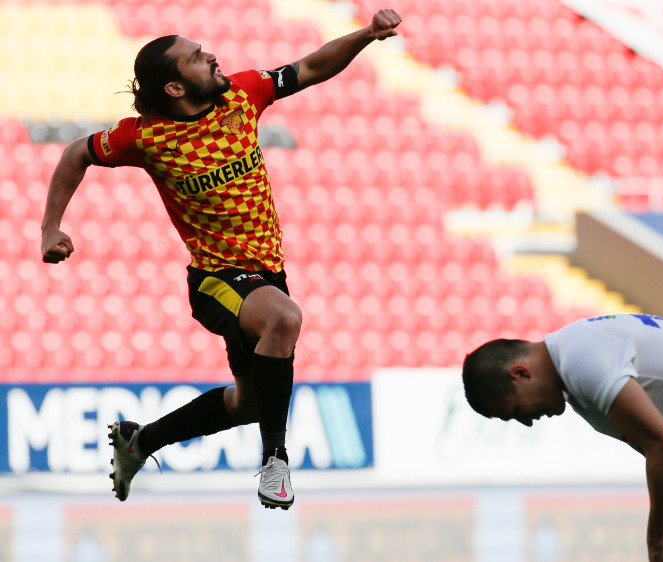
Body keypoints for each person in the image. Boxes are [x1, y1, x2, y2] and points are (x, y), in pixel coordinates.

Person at [41, 8, 402, 510]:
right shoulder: (145, 138)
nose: (209, 55)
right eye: (194, 56)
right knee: (284, 318)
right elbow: (74, 153)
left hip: (266, 272)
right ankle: (275, 460)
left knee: (250, 402)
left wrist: (366, 34)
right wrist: (51, 227)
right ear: (173, 87)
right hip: (217, 279)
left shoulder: (244, 93)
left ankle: (139, 442)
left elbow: (311, 67)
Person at [462, 313, 663, 562]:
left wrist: (658, 544)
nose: (527, 422)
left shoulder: (581, 360)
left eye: (516, 411)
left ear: (520, 373)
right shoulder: (576, 368)